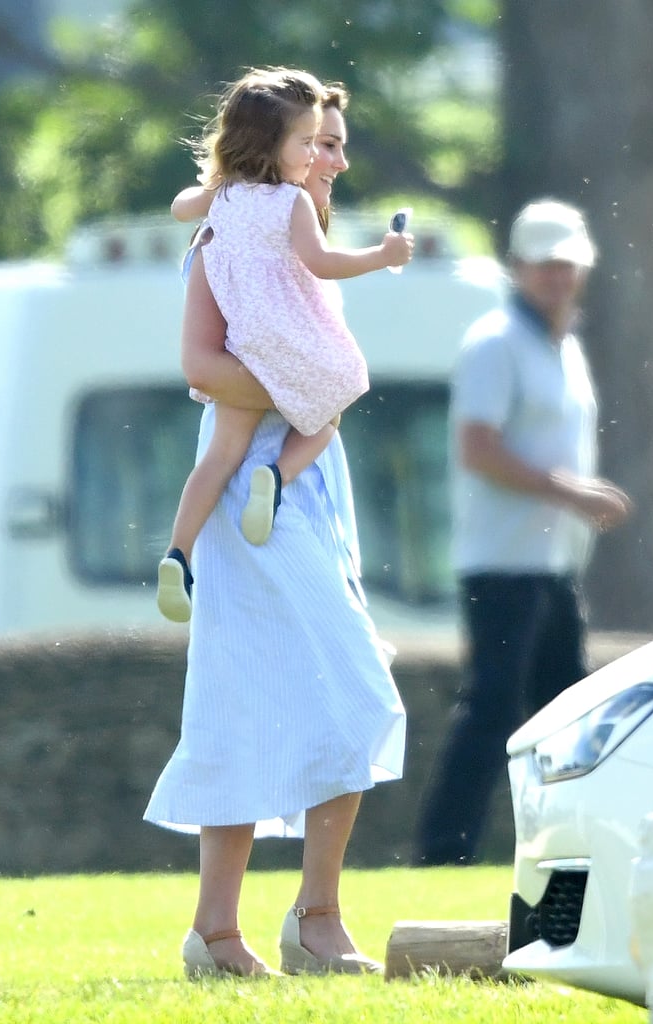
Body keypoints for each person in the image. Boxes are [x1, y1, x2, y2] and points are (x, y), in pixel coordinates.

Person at [144, 79, 407, 978]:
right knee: (350, 688)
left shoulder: (293, 233)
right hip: (247, 499)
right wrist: (305, 391)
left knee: (255, 694)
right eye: (319, 142)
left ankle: (229, 934)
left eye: (337, 143)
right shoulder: (232, 228)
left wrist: (310, 398)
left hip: (307, 485)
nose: (334, 159)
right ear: (275, 147)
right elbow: (201, 366)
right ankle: (304, 921)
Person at [412, 198, 633, 867]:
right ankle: (441, 852)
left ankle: (579, 845)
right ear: (518, 268)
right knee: (493, 710)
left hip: (550, 562)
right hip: (502, 562)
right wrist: (571, 491)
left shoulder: (562, 345)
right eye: (543, 266)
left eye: (566, 265)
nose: (556, 277)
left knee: (568, 709)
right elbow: (477, 448)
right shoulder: (495, 342)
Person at [155, 67, 413, 623]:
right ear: (274, 145)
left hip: (242, 347)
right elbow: (323, 263)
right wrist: (382, 255)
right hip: (286, 345)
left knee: (217, 456)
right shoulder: (289, 202)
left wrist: (208, 188)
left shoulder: (223, 197)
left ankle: (179, 551)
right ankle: (274, 478)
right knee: (331, 406)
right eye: (306, 142)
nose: (313, 157)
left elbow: (179, 208)